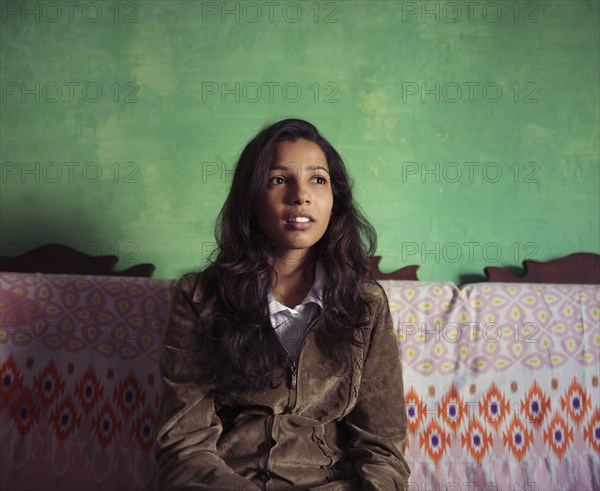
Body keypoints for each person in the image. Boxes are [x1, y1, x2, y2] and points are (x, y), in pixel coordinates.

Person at [154, 118, 410, 490]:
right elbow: (183, 447)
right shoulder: (199, 297)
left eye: (317, 179)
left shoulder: (365, 304)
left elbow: (383, 449)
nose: (301, 195)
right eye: (278, 179)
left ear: (335, 200)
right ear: (251, 197)